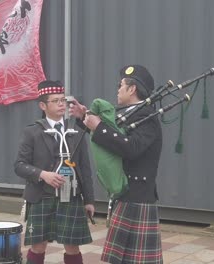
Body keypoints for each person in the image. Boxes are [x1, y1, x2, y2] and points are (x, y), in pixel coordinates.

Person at [70, 65, 164, 263]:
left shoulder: (147, 118)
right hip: (126, 195)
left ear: (132, 89)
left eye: (120, 85)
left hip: (137, 198)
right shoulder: (132, 113)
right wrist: (85, 117)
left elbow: (130, 147)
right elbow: (113, 140)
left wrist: (99, 126)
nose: (117, 89)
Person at [14, 80, 95, 264]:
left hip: (71, 196)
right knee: (38, 245)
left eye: (63, 100)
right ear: (43, 105)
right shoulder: (32, 132)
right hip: (42, 195)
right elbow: (19, 165)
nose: (61, 104)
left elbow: (84, 167)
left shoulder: (75, 130)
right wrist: (43, 174)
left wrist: (89, 200)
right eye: (55, 101)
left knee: (73, 245)